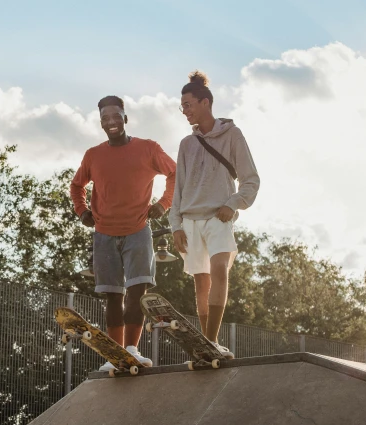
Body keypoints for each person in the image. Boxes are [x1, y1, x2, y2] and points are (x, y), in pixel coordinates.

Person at [71, 95, 176, 370]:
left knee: (136, 290)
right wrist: (82, 212)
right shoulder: (93, 155)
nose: (111, 122)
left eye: (116, 116)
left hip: (138, 231)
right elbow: (76, 186)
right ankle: (115, 355)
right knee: (113, 295)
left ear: (125, 118)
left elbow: (175, 173)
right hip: (104, 234)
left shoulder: (148, 148)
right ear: (101, 124)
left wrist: (164, 204)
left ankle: (132, 349)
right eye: (105, 118)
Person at [170, 72, 260, 357]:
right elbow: (179, 190)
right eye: (182, 106)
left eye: (188, 104)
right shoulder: (186, 144)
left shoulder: (232, 134)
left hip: (219, 218)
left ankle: (210, 342)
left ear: (205, 102)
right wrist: (175, 226)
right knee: (201, 284)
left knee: (220, 270)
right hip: (190, 220)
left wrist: (233, 203)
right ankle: (207, 348)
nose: (184, 111)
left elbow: (251, 179)